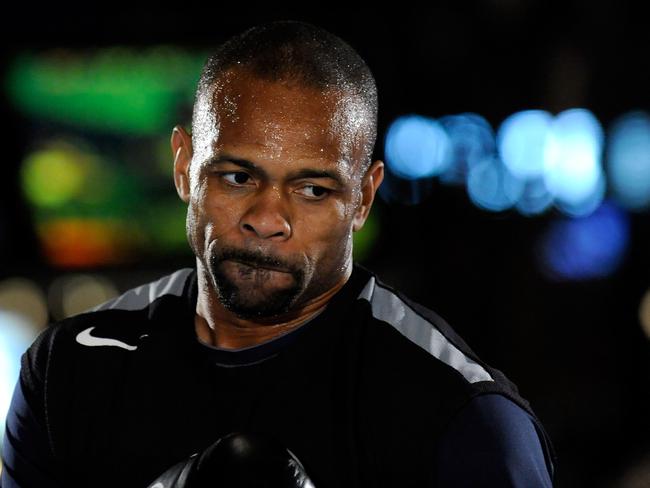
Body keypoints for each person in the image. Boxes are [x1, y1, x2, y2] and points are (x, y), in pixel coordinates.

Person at [1, 20, 556, 488]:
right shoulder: (68, 371)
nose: (268, 220)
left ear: (363, 198)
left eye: (313, 189)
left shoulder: (462, 417)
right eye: (238, 176)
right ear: (183, 167)